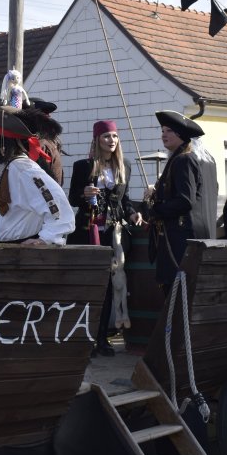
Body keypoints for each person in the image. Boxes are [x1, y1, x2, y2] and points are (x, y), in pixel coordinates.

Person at [68, 120, 141, 356]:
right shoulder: (83, 166)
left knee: (109, 285)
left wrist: (133, 214)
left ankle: (101, 339)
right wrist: (84, 193)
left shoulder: (124, 165)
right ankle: (85, 338)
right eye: (106, 136)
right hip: (87, 231)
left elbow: (124, 200)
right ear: (97, 140)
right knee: (88, 285)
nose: (112, 140)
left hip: (111, 233)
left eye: (115, 136)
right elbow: (72, 198)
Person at [0, 106, 75, 245]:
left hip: (19, 250)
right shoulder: (10, 166)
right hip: (4, 247)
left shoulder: (24, 170)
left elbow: (59, 208)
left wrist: (45, 239)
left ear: (3, 142)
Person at [142, 110, 218, 292]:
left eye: (169, 130)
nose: (163, 135)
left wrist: (155, 210)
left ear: (182, 134)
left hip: (181, 239)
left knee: (177, 294)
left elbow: (185, 201)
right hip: (202, 236)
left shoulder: (183, 159)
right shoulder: (207, 160)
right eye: (162, 131)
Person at [26, 97, 64, 186]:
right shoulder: (39, 143)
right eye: (43, 112)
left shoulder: (44, 143)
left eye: (47, 113)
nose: (48, 116)